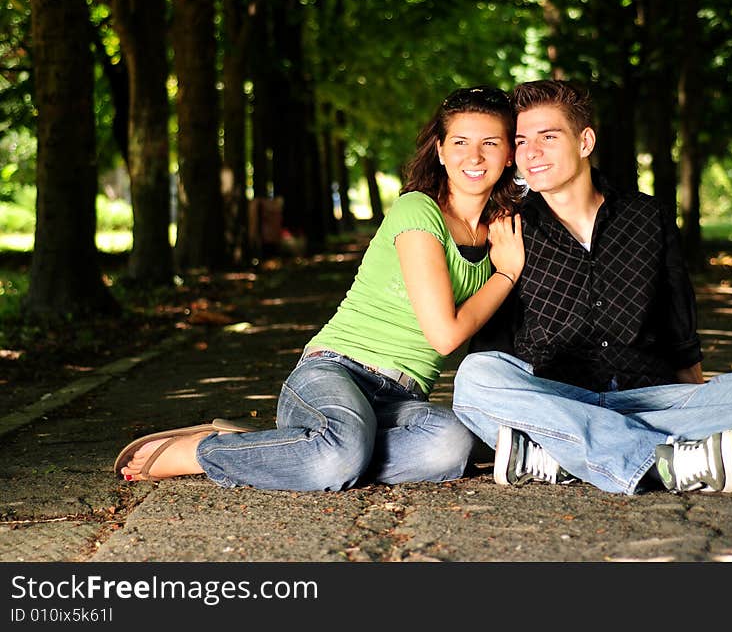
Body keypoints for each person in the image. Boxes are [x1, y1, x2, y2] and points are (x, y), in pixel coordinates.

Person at [115, 85, 525, 491]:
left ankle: (291, 450)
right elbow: (445, 335)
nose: (474, 156)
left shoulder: (502, 231)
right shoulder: (417, 209)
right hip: (335, 371)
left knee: (451, 445)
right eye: (460, 141)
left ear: (509, 154)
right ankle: (202, 453)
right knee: (340, 456)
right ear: (439, 150)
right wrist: (505, 275)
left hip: (400, 398)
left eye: (490, 142)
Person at [452, 79, 732, 495]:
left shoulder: (647, 216)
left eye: (548, 137)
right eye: (520, 141)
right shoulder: (507, 226)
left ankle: (559, 456)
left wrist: (696, 400)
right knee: (475, 377)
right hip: (556, 397)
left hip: (642, 397)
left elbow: (678, 325)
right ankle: (665, 461)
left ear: (585, 141)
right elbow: (494, 352)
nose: (531, 152)